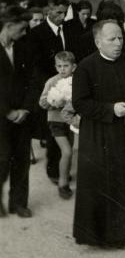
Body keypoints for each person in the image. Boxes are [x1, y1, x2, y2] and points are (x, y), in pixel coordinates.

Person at [71, 19, 125, 249]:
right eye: (112, 39)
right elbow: (80, 103)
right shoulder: (86, 67)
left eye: (120, 38)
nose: (118, 43)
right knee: (101, 183)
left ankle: (120, 233)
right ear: (98, 42)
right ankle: (97, 236)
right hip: (97, 136)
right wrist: (110, 109)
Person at [32, 0, 74, 186]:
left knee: (68, 131)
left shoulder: (69, 29)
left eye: (65, 13)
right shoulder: (38, 33)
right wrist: (54, 87)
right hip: (51, 88)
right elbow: (36, 65)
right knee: (52, 132)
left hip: (70, 85)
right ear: (49, 9)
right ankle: (53, 170)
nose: (62, 16)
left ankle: (63, 168)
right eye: (58, 12)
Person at [0, 6, 36, 218]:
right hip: (1, 117)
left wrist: (25, 109)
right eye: (21, 29)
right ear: (9, 26)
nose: (25, 33)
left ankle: (18, 203)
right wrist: (7, 112)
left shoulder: (24, 49)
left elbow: (33, 81)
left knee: (22, 160)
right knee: (2, 159)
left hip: (23, 116)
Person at [38, 51, 77, 200]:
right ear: (55, 67)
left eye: (66, 66)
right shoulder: (52, 81)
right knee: (66, 151)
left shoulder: (78, 80)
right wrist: (54, 101)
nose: (62, 69)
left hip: (71, 121)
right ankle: (63, 184)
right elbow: (42, 102)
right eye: (59, 66)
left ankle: (64, 175)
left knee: (69, 151)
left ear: (73, 67)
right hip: (56, 121)